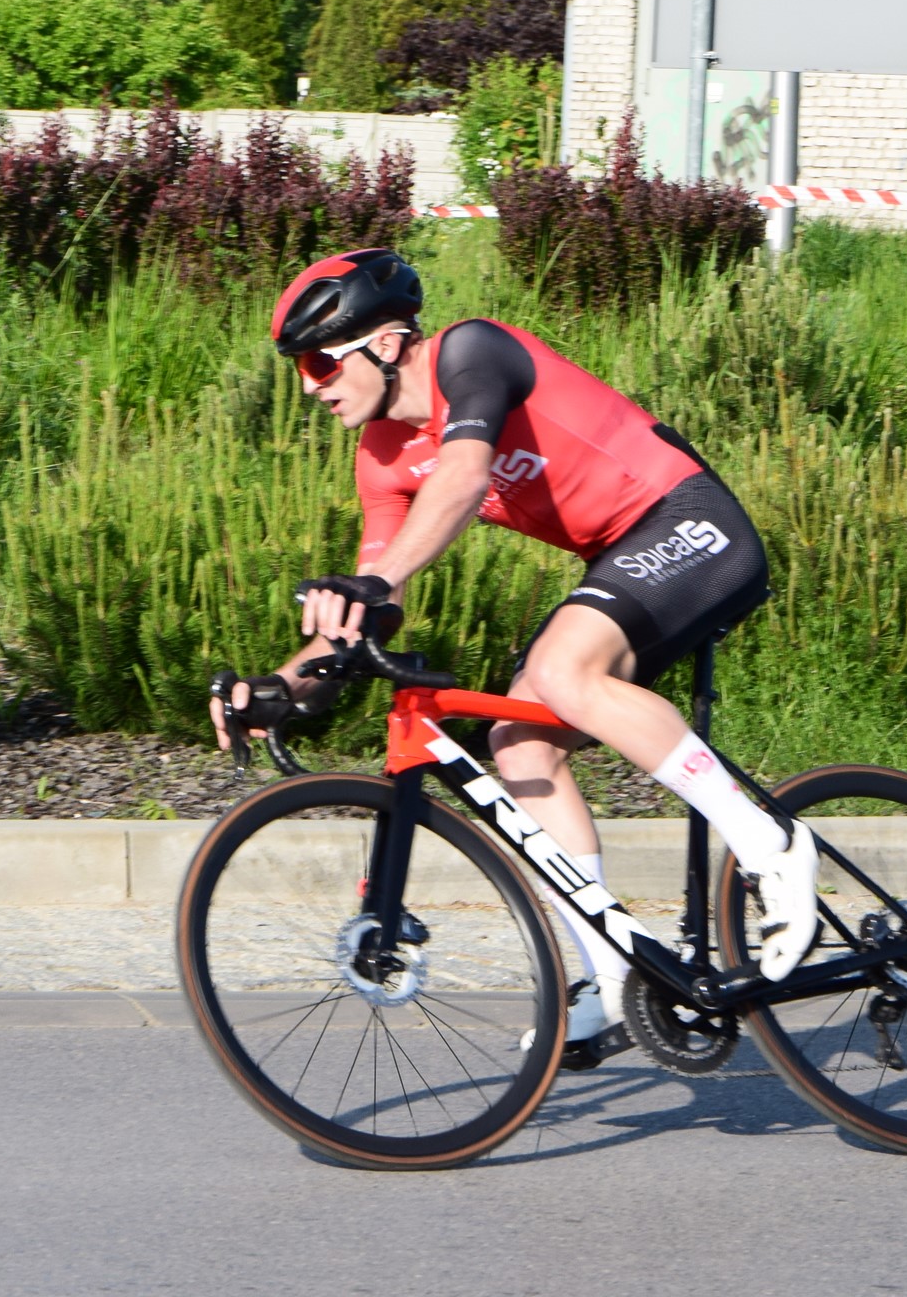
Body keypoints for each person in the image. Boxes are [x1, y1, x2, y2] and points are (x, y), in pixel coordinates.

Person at [210, 247, 819, 1063]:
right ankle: (614, 973)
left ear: (385, 343)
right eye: (297, 370)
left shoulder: (472, 352)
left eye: (320, 362)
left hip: (689, 520)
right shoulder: (381, 457)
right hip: (618, 556)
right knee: (519, 743)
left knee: (564, 669)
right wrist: (284, 686)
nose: (310, 386)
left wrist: (375, 582)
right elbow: (371, 605)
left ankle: (769, 844)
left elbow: (465, 477)